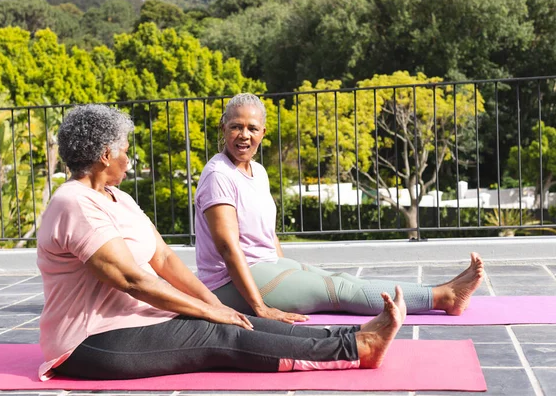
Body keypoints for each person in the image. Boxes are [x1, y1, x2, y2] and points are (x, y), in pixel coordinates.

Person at [36, 104, 407, 382]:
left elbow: (163, 259)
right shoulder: (74, 202)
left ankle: (355, 335)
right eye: (125, 151)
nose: (129, 161)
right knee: (218, 332)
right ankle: (358, 350)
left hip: (139, 321)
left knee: (239, 319)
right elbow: (133, 279)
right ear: (105, 155)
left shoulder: (120, 199)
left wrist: (212, 302)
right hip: (90, 342)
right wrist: (209, 312)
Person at [194, 93, 485, 324]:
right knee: (341, 292)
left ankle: (442, 290)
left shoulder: (257, 171)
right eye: (236, 126)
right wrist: (261, 308)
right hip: (229, 285)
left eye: (252, 128)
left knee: (341, 280)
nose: (244, 134)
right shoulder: (219, 175)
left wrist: (289, 270)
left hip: (263, 266)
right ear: (224, 128)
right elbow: (229, 249)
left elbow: (267, 235)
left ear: (263, 132)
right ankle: (444, 297)